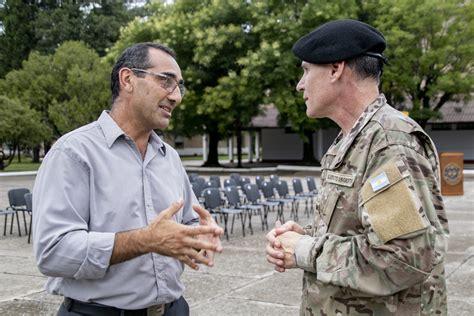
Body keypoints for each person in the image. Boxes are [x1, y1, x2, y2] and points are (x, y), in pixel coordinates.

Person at [266, 19, 449, 315]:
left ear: (336, 69)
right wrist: (308, 234)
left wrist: (304, 250)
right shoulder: (352, 140)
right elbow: (363, 228)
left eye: (306, 70)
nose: (300, 84)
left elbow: (406, 258)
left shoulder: (389, 142)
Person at [33, 42, 224, 316]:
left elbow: (188, 222)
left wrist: (201, 237)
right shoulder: (74, 153)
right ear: (128, 79)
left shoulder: (168, 156)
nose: (176, 97)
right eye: (166, 81)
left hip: (173, 309)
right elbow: (53, 252)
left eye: (179, 86)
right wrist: (145, 240)